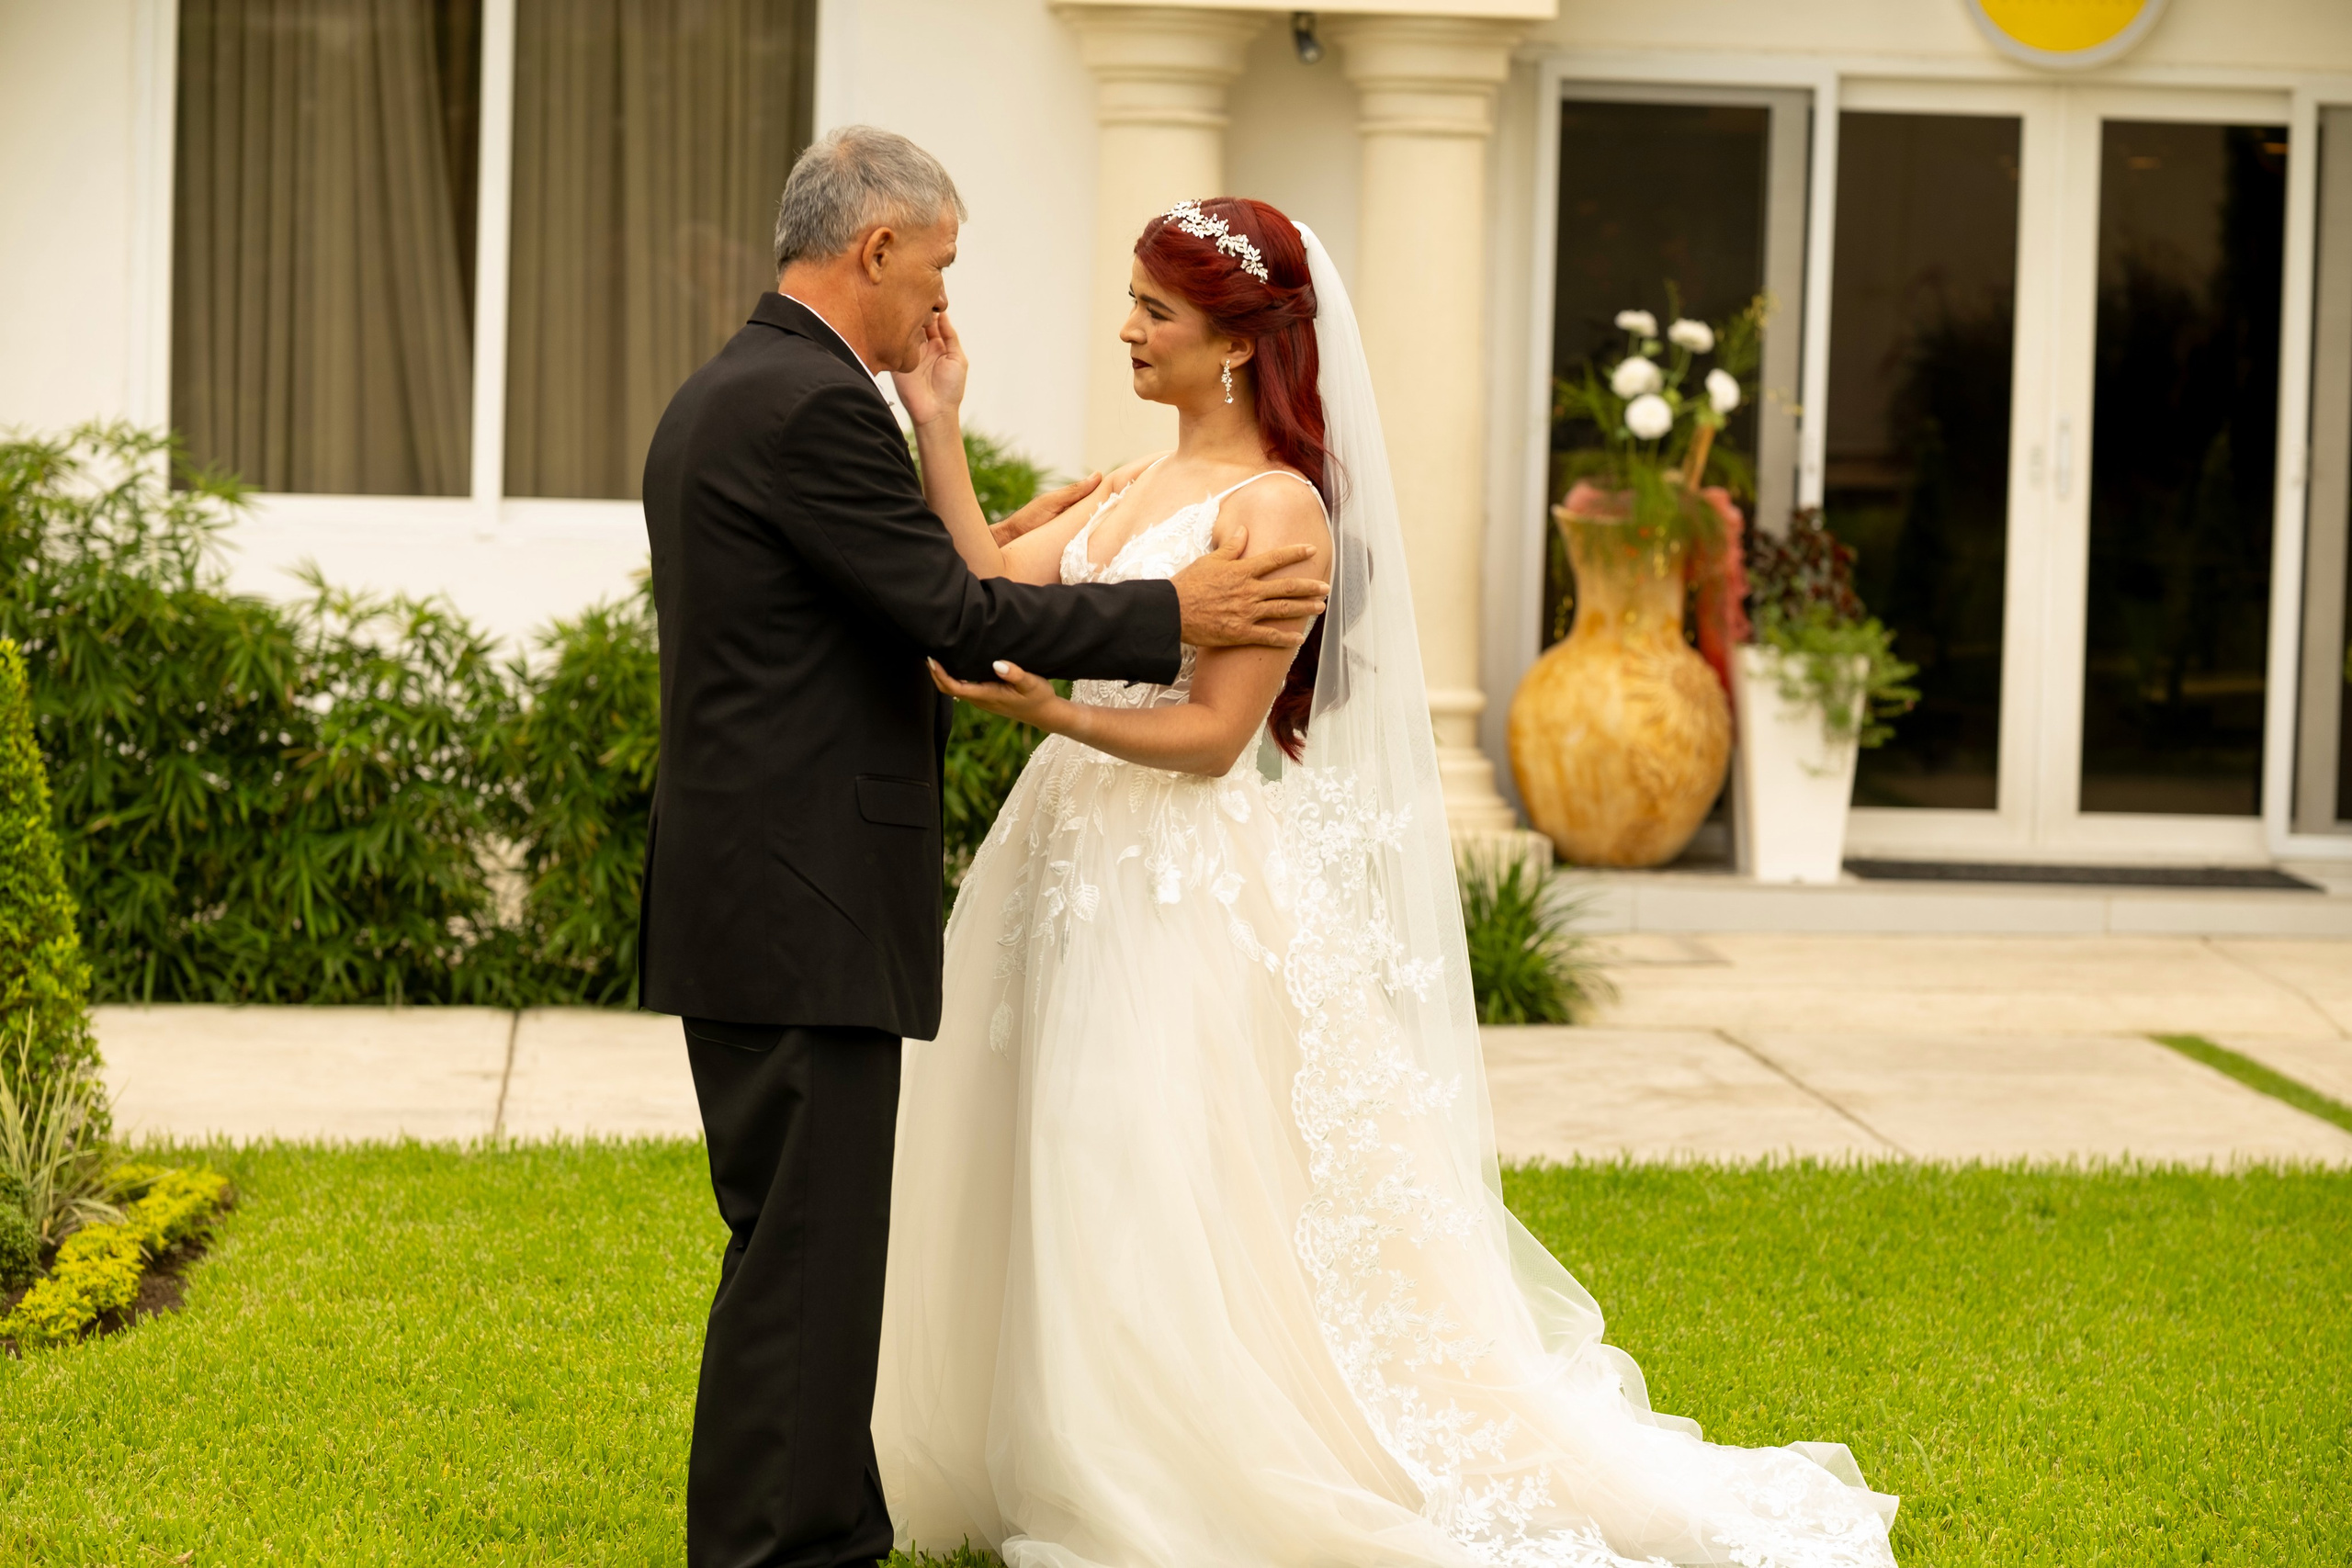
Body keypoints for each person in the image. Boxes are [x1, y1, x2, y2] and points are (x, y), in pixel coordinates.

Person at [875, 196, 1905, 1568]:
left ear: (1238, 346)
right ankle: (1056, 1444)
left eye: (1156, 312)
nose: (1126, 327)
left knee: (1138, 1159)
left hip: (1182, 881)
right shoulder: (1132, 484)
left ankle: (1160, 1468)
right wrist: (937, 419)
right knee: (1045, 1146)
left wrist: (1056, 719)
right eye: (1132, 300)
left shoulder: (1279, 509)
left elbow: (1212, 736)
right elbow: (989, 585)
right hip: (1069, 863)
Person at [638, 132, 1330, 1568]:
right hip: (801, 898)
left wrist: (939, 421)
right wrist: (1173, 616)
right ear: (876, 251)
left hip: (762, 892)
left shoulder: (742, 390)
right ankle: (784, 1549)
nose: (943, 301)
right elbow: (959, 616)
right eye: (939, 266)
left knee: (805, 1249)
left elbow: (950, 589)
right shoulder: (811, 408)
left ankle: (826, 1520)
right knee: (804, 1256)